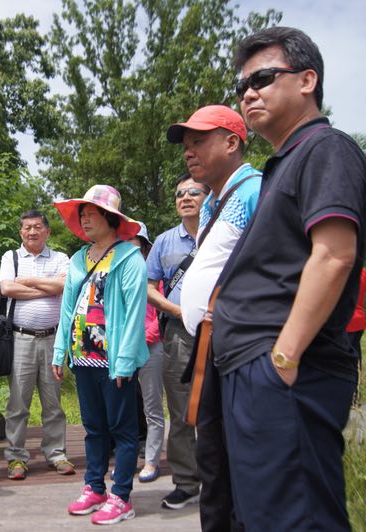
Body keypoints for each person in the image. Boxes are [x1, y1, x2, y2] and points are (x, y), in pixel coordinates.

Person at [211, 27, 366, 530]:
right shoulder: (284, 164)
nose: (247, 92)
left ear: (307, 80)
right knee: (261, 515)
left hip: (282, 370)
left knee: (294, 519)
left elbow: (335, 256)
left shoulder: (327, 148)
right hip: (254, 370)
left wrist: (284, 357)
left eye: (261, 78)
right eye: (241, 86)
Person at [166, 104, 261, 532]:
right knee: (214, 458)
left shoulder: (259, 190)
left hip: (247, 349)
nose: (189, 152)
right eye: (186, 146)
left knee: (243, 461)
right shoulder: (211, 203)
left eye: (198, 141)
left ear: (231, 142)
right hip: (210, 346)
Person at [52, 185, 148, 525]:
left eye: (91, 212)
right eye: (82, 213)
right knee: (93, 427)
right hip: (83, 356)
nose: (85, 218)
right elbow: (67, 308)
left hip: (115, 360)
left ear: (110, 217)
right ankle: (94, 487)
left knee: (122, 429)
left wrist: (123, 362)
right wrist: (60, 349)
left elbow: (135, 313)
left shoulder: (129, 258)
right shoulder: (79, 258)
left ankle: (121, 495)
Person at [146, 174, 207, 509]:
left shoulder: (223, 233)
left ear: (207, 196)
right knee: (181, 409)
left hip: (221, 330)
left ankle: (222, 478)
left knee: (223, 405)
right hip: (179, 333)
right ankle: (185, 481)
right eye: (179, 194)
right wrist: (180, 311)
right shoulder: (165, 241)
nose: (185, 198)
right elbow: (150, 288)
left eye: (193, 192)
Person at [0, 210, 73, 480]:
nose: (32, 231)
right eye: (27, 227)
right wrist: (48, 287)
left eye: (38, 227)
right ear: (21, 232)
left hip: (53, 339)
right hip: (20, 339)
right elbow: (7, 289)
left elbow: (66, 286)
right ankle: (16, 457)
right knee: (18, 403)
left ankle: (57, 454)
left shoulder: (60, 258)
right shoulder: (12, 257)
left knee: (53, 402)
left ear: (47, 231)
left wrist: (27, 281)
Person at [128, 224, 164, 484]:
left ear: (145, 246)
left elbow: (160, 315)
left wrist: (141, 339)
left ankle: (151, 460)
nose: (131, 247)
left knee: (152, 407)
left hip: (150, 347)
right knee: (124, 407)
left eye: (136, 243)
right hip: (124, 349)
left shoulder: (156, 276)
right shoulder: (118, 274)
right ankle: (127, 460)